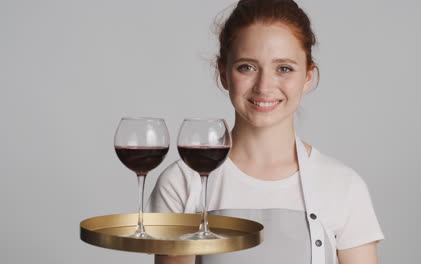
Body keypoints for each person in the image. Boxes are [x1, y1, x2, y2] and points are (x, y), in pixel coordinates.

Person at [148, 0, 384, 263]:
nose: (264, 86)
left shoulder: (344, 186)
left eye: (284, 68)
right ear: (223, 73)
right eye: (246, 67)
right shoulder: (182, 183)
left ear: (307, 76)